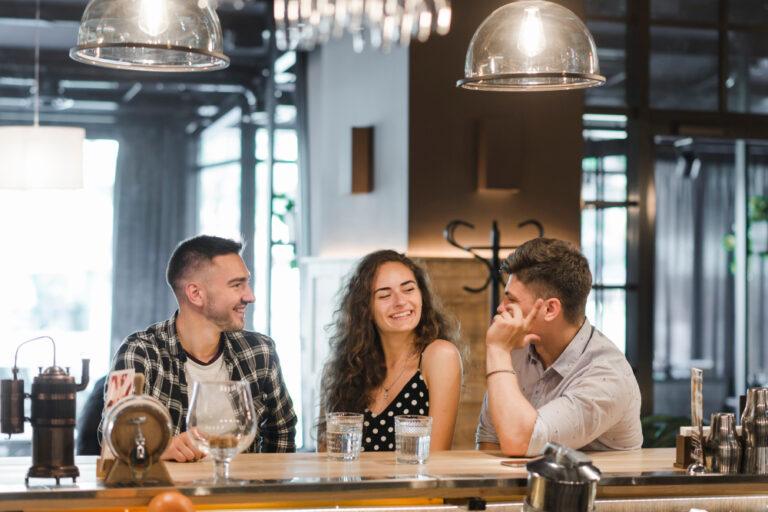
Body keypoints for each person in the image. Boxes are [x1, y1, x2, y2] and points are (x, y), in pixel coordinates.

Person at [101, 235, 297, 461]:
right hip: (167, 495)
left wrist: (267, 487)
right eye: (236, 285)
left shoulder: (261, 351)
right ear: (196, 294)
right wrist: (156, 449)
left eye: (247, 283)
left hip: (243, 494)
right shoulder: (139, 352)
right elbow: (112, 440)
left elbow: (282, 430)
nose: (249, 296)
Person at [476, 237, 642, 456]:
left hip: (595, 490)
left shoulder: (608, 375)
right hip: (525, 489)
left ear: (550, 309)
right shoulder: (517, 349)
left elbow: (519, 441)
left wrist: (497, 351)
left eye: (511, 300)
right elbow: (490, 441)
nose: (500, 308)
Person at [320, 250, 462, 452]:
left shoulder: (439, 355)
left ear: (422, 295)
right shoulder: (346, 367)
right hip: (351, 484)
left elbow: (436, 458)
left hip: (414, 484)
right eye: (385, 295)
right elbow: (326, 456)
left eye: (409, 289)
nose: (400, 301)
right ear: (365, 309)